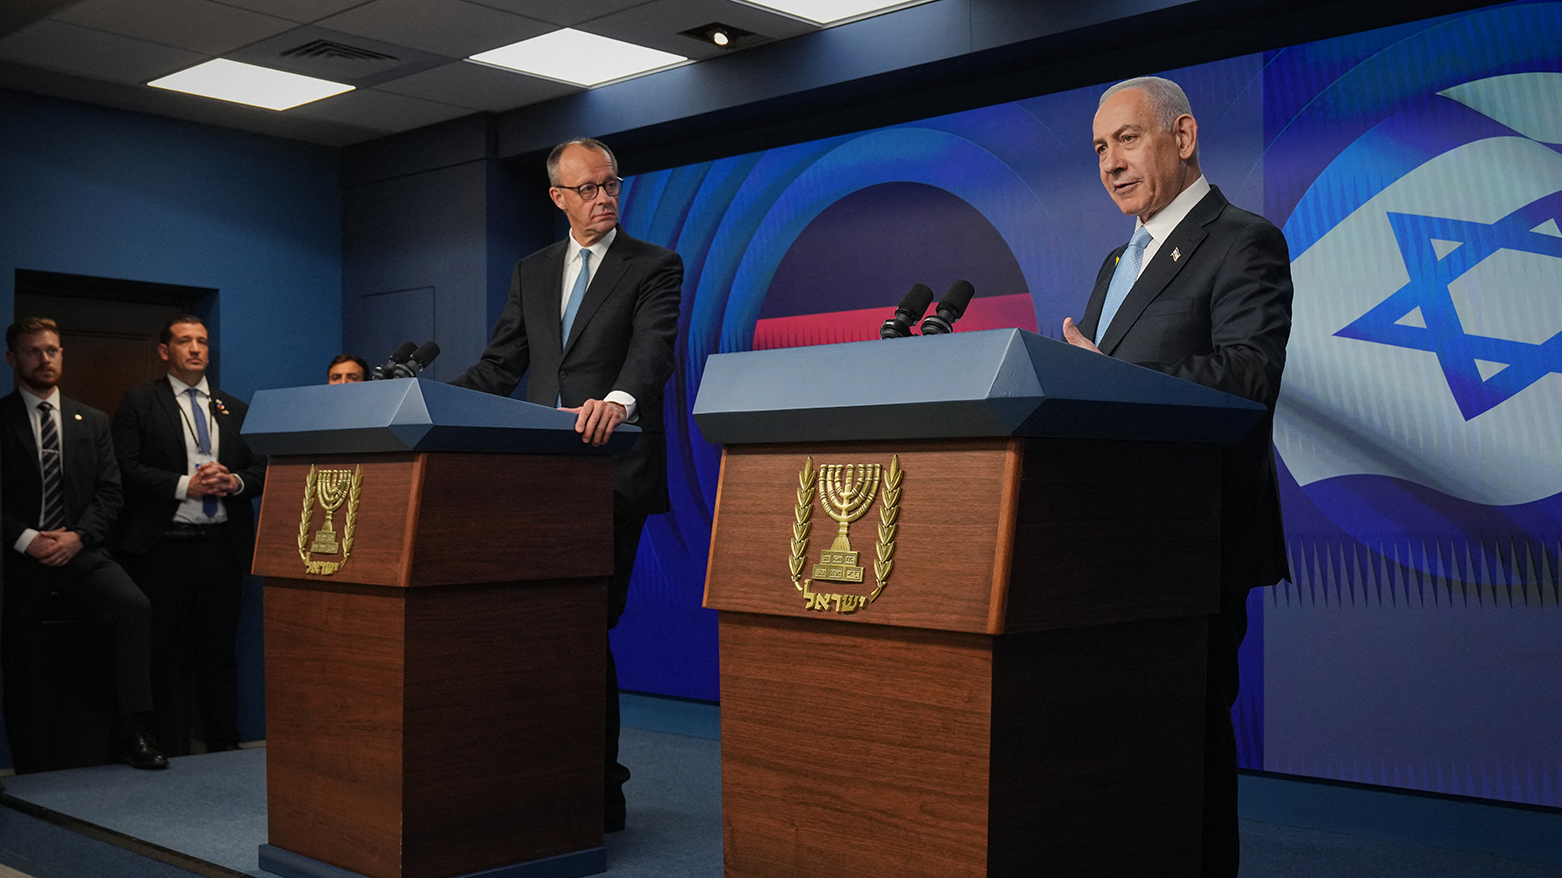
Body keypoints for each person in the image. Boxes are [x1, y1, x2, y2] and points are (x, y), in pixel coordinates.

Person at [1062, 76, 1293, 877]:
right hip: (1108, 541)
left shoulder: (1242, 240)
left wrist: (1110, 376)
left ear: (1183, 137)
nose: (1110, 164)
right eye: (1099, 149)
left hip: (1194, 540)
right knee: (1119, 748)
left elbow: (1249, 374)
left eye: (1127, 139)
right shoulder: (1112, 261)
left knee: (1184, 742)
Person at [452, 137, 683, 833]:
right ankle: (553, 775)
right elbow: (500, 367)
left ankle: (600, 787)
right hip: (542, 480)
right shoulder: (533, 270)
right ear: (558, 198)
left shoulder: (654, 264)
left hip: (614, 474)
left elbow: (653, 350)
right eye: (588, 188)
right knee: (548, 625)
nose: (604, 195)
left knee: (584, 624)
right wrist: (424, 404)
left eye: (611, 183)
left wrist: (616, 401)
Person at [2, 318, 165, 771]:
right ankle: (29, 758)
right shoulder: (1, 419)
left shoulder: (91, 420)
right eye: (33, 351)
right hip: (18, 557)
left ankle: (132, 733)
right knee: (20, 640)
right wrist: (27, 540)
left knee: (135, 607)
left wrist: (78, 537)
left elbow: (111, 493)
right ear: (14, 359)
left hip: (81, 550)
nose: (45, 359)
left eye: (52, 350)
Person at [111, 315, 266, 755]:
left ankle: (223, 745)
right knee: (158, 652)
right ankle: (150, 742)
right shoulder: (141, 403)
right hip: (162, 549)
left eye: (201, 341)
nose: (196, 349)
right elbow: (124, 468)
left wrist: (233, 481)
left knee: (219, 654)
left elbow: (262, 468)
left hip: (222, 549)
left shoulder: (233, 408)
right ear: (165, 351)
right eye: (185, 341)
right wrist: (185, 485)